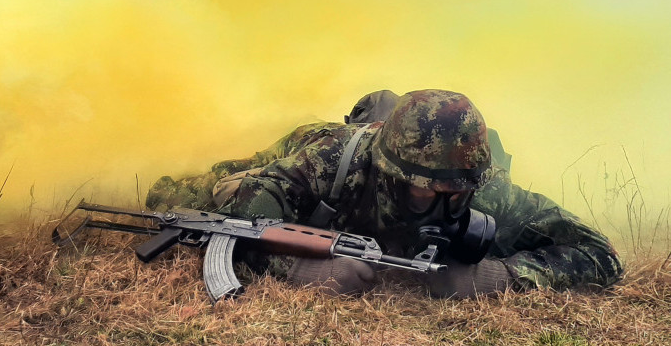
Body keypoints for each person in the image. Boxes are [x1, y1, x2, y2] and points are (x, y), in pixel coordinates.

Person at [147, 89, 623, 298]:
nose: (441, 208)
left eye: (454, 197)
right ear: (390, 175)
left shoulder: (485, 189)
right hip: (313, 145)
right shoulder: (333, 161)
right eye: (424, 193)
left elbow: (598, 253)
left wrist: (501, 276)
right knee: (209, 187)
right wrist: (296, 267)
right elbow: (246, 213)